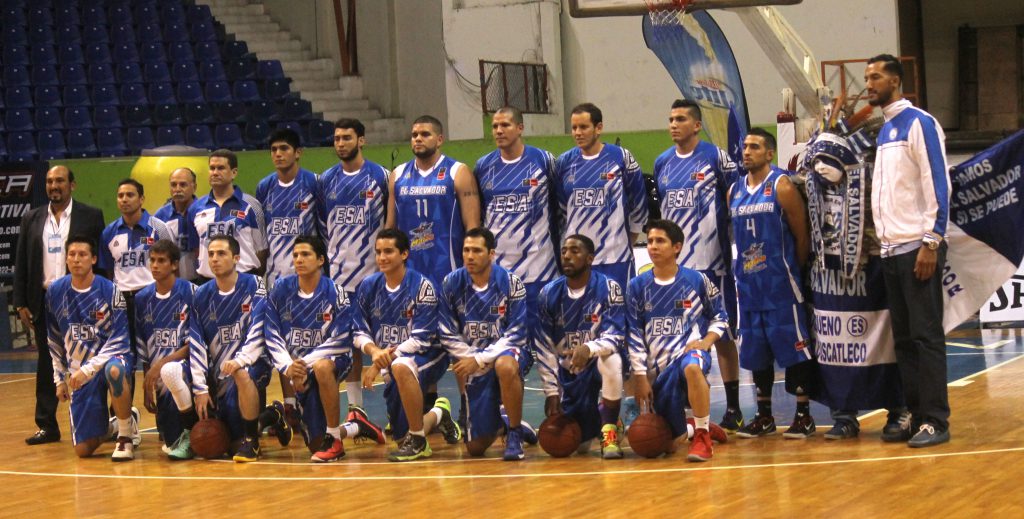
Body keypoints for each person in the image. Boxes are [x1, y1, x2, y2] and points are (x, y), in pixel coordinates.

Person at [866, 53, 951, 447]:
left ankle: (936, 421)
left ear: (896, 81)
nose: (869, 84)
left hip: (918, 247)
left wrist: (932, 240)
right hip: (890, 251)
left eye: (876, 77)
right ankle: (916, 416)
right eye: (868, 77)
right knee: (903, 340)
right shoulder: (884, 130)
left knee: (926, 337)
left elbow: (938, 182)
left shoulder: (919, 122)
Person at [652, 99, 743, 432]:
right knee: (679, 337)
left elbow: (736, 199)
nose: (673, 125)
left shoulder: (716, 157)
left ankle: (733, 408)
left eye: (680, 119)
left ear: (697, 125)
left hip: (712, 263)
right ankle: (687, 411)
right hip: (676, 270)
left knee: (722, 335)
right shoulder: (662, 162)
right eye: (670, 119)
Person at [728, 128, 817, 439]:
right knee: (756, 352)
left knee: (795, 349)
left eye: (754, 147)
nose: (746, 151)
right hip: (749, 286)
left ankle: (804, 416)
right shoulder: (734, 190)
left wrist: (793, 270)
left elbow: (802, 234)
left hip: (781, 283)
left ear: (769, 153)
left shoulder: (781, 185)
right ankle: (764, 416)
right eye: (745, 146)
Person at [264, 235, 386, 463]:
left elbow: (340, 339)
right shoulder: (280, 290)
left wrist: (303, 364)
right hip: (297, 367)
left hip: (334, 360)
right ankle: (355, 426)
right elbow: (271, 333)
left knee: (321, 367)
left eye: (305, 254)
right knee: (315, 444)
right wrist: (289, 367)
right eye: (295, 255)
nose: (299, 259)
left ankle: (335, 443)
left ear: (321, 260)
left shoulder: (335, 292)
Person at [14, 165, 105, 446]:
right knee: (47, 362)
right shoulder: (31, 218)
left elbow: (99, 261)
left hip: (80, 298)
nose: (54, 186)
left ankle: (102, 422)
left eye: (60, 181)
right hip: (43, 299)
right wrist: (20, 301)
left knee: (90, 359)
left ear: (72, 185)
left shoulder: (90, 216)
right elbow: (22, 260)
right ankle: (46, 425)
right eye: (50, 181)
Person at [352, 229, 461, 462]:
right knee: (402, 437)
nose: (382, 257)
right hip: (390, 359)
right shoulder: (368, 286)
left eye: (388, 251)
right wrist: (374, 352)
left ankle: (420, 443)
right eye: (378, 252)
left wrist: (379, 363)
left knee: (401, 366)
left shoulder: (422, 286)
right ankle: (439, 413)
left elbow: (421, 339)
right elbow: (358, 330)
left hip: (430, 353)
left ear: (404, 254)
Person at [627, 220, 730, 462]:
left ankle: (702, 438)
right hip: (657, 369)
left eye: (660, 241)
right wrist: (640, 376)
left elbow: (721, 316)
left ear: (677, 247)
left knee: (693, 367)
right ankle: (696, 426)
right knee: (667, 444)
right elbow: (634, 334)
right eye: (650, 241)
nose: (653, 246)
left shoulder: (696, 280)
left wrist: (706, 342)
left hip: (688, 355)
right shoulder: (636, 286)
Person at [438, 227, 537, 461]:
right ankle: (507, 423)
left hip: (509, 353)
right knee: (475, 449)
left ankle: (514, 434)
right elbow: (446, 332)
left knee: (505, 365)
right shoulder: (451, 283)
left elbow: (516, 333)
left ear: (491, 253)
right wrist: (472, 357)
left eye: (477, 251)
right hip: (473, 359)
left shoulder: (511, 283)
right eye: (466, 250)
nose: (470, 256)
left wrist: (481, 358)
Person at [474, 106, 559, 374]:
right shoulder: (483, 166)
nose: (499, 131)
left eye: (505, 125)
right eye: (495, 126)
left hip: (540, 270)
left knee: (547, 345)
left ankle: (555, 396)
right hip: (500, 275)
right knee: (504, 350)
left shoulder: (544, 161)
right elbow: (480, 215)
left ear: (520, 127)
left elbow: (559, 206)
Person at [180, 234, 279, 462]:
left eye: (221, 253)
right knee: (228, 442)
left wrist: (240, 361)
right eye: (211, 254)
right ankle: (271, 415)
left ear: (236, 258)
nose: (214, 259)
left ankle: (252, 442)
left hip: (253, 364)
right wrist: (200, 389)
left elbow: (258, 331)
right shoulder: (201, 295)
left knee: (241, 375)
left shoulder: (254, 285)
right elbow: (196, 343)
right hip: (218, 372)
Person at [317, 118, 390, 412]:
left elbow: (391, 221)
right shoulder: (325, 180)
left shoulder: (381, 176)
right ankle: (356, 409)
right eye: (336, 138)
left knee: (385, 339)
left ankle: (396, 406)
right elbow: (322, 226)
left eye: (347, 137)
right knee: (350, 345)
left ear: (361, 140)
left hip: (377, 277)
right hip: (341, 279)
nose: (341, 143)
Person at [536, 234, 627, 459]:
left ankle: (609, 431)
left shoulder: (609, 288)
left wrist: (588, 349)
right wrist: (551, 392)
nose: (567, 256)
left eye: (575, 251)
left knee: (612, 360)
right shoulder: (548, 294)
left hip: (597, 363)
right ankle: (602, 416)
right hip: (569, 371)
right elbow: (544, 346)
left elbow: (616, 335)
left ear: (590, 258)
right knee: (579, 444)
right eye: (564, 251)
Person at [45, 235, 136, 460]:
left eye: (82, 254)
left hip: (111, 360)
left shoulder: (110, 290)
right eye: (72, 254)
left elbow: (120, 339)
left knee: (114, 370)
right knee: (83, 450)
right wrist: (59, 379)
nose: (76, 259)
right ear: (66, 259)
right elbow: (54, 340)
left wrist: (89, 369)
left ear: (93, 259)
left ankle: (125, 437)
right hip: (80, 371)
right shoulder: (55, 292)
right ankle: (118, 424)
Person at [554, 103, 648, 291]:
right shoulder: (564, 162)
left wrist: (628, 240)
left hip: (616, 258)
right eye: (574, 128)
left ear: (598, 128)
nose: (577, 133)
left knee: (619, 307)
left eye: (583, 127)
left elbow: (639, 201)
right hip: (578, 260)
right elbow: (563, 207)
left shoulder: (621, 157)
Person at [387, 115, 481, 289]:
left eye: (425, 134)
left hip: (449, 269)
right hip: (408, 273)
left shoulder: (458, 172)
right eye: (414, 135)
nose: (418, 139)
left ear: (439, 140)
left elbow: (473, 227)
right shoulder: (398, 175)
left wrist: (472, 269)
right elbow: (390, 228)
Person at [133, 239, 195, 457]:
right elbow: (143, 348)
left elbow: (195, 344)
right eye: (152, 260)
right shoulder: (141, 299)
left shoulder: (191, 292)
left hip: (188, 370)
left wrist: (160, 365)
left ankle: (191, 429)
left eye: (161, 261)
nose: (155, 266)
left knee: (171, 373)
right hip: (158, 377)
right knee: (169, 440)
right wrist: (147, 385)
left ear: (174, 264)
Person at [99, 178, 171, 363]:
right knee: (124, 354)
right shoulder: (109, 232)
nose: (124, 199)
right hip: (122, 301)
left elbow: (170, 266)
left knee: (155, 353)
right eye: (120, 196)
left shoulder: (159, 228)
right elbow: (109, 271)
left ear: (141, 199)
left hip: (152, 297)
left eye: (130, 195)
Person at [187, 149, 268, 282]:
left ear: (234, 172)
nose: (215, 172)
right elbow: (197, 250)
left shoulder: (251, 205)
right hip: (207, 282)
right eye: (212, 168)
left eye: (221, 168)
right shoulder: (195, 208)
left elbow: (262, 248)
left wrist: (253, 279)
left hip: (244, 279)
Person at [255, 128, 319, 288]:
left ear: (298, 152)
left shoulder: (314, 183)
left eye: (284, 148)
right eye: (274, 149)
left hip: (309, 275)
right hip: (275, 276)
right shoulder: (264, 187)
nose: (278, 154)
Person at [154, 167, 199, 281]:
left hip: (204, 280)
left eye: (183, 185)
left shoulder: (204, 212)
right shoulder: (160, 217)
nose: (177, 189)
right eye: (173, 185)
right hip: (173, 282)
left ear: (194, 187)